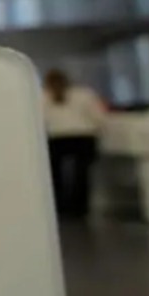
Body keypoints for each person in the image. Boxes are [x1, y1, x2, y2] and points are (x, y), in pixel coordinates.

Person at [43, 69, 109, 220]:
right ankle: (80, 209)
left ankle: (60, 207)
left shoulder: (42, 97)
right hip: (83, 136)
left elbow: (40, 120)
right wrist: (101, 130)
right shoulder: (84, 94)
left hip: (56, 138)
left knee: (55, 175)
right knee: (81, 174)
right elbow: (98, 116)